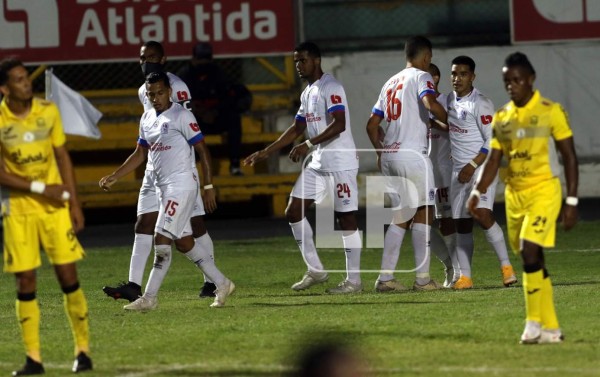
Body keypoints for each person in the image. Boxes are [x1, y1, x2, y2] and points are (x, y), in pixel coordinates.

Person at [467, 52, 578, 344]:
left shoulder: (550, 110)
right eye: (507, 81)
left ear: (530, 80)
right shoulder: (502, 117)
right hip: (515, 196)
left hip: (545, 191)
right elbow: (493, 161)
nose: (511, 85)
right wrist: (478, 192)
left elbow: (569, 156)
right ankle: (552, 329)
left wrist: (572, 201)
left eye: (516, 80)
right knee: (534, 259)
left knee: (530, 252)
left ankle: (532, 324)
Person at [100, 71, 235, 310]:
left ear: (169, 92)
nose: (156, 98)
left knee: (161, 241)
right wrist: (115, 176)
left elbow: (203, 150)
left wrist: (209, 185)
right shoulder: (147, 119)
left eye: (160, 92)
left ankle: (149, 298)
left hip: (182, 186)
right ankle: (222, 283)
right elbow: (141, 152)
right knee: (184, 243)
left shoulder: (182, 115)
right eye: (151, 94)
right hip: (163, 189)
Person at [244, 41, 362, 294]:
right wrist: (266, 151)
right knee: (293, 209)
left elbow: (339, 124)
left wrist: (307, 143)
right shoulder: (307, 92)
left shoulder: (332, 87)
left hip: (340, 162)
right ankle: (316, 269)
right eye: (296, 61)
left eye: (302, 60)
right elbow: (297, 127)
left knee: (346, 218)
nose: (298, 65)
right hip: (319, 161)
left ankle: (354, 281)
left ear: (316, 61)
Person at [0, 59, 92, 375]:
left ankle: (83, 352)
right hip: (19, 211)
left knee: (68, 275)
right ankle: (33, 359)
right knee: (25, 280)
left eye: (26, 78)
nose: (26, 83)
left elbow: (62, 157)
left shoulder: (47, 111)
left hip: (54, 210)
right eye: (18, 80)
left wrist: (74, 203)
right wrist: (42, 187)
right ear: (4, 88)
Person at [366, 36, 447, 292]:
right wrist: (450, 119)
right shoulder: (422, 76)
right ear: (426, 57)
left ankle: (386, 278)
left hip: (391, 155)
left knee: (402, 214)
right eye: (430, 59)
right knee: (423, 214)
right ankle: (421, 280)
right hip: (413, 156)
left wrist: (380, 153)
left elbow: (371, 125)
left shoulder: (390, 82)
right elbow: (429, 103)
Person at [445, 55, 517, 289]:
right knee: (461, 224)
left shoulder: (481, 103)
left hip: (480, 166)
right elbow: (453, 127)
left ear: (472, 77)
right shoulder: (449, 100)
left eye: (463, 74)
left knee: (482, 213)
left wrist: (472, 165)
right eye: (454, 73)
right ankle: (466, 277)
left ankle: (506, 267)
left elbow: (492, 139)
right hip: (458, 169)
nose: (457, 78)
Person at [177, 42, 252, 176]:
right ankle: (185, 171)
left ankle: (234, 166)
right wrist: (196, 112)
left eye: (206, 59)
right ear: (193, 59)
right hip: (194, 121)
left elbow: (233, 97)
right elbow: (174, 101)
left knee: (234, 119)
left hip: (214, 118)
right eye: (200, 60)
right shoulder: (184, 75)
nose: (203, 63)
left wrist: (215, 112)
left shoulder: (218, 73)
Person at [427, 63, 459, 288]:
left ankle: (458, 270)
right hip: (424, 169)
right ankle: (449, 264)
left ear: (436, 77)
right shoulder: (416, 102)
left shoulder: (447, 100)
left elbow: (454, 127)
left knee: (446, 221)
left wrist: (431, 122)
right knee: (418, 223)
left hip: (444, 169)